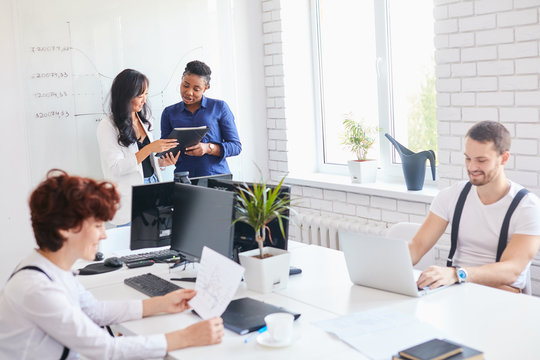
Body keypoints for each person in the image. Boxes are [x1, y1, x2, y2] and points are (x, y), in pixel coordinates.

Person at [0, 170, 224, 359]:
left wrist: (160, 304)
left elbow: (93, 311)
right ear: (65, 228)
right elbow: (104, 349)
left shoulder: (52, 269)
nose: (104, 235)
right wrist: (186, 337)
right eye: (97, 226)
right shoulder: (36, 289)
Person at [410, 121, 540, 293]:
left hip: (502, 294)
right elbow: (417, 246)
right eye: (468, 158)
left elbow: (511, 271)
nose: (472, 167)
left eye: (481, 160)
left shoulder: (527, 207)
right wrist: (383, 269)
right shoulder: (451, 196)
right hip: (456, 290)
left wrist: (458, 274)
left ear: (504, 158)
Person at [97, 69, 179, 226]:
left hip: (154, 187)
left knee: (156, 244)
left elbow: (145, 164)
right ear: (126, 97)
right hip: (130, 196)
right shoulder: (107, 126)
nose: (144, 100)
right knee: (130, 246)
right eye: (140, 96)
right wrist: (149, 149)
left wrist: (162, 164)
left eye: (146, 94)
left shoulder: (144, 119)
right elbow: (116, 168)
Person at [161, 60, 242, 178]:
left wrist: (208, 148)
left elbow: (236, 147)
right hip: (183, 179)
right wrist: (165, 158)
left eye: (196, 89)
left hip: (216, 178)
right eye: (185, 85)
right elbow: (165, 150)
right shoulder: (169, 113)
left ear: (205, 88)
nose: (189, 92)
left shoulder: (219, 107)